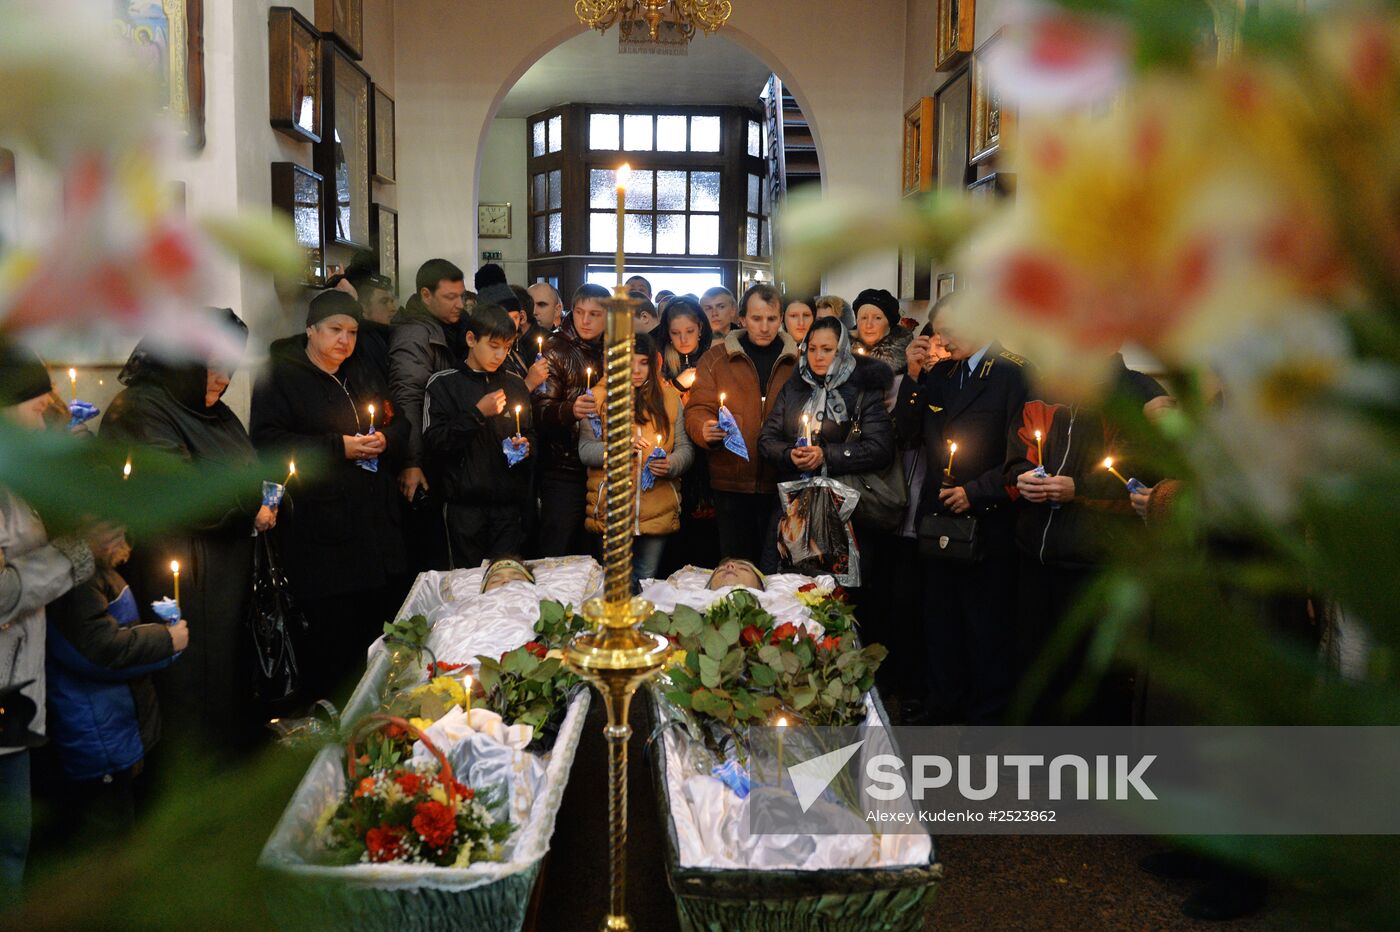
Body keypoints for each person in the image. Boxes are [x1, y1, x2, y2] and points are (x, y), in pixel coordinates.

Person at [100, 309, 275, 750]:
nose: (222, 377)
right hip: (174, 575)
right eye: (211, 365)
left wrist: (273, 498)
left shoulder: (212, 411)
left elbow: (246, 471)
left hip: (224, 575)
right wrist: (247, 506)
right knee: (186, 682)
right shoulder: (140, 409)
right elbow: (182, 494)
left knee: (225, 675)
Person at [250, 290, 408, 703]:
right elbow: (268, 444)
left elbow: (398, 420)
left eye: (352, 331)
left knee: (372, 630)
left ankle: (372, 710)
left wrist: (384, 440)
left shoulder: (361, 370)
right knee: (332, 637)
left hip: (372, 526)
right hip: (320, 531)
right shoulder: (281, 377)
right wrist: (339, 447)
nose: (345, 340)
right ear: (310, 330)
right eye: (335, 330)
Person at [1007, 351, 1166, 725]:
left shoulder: (1136, 393)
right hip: (1037, 552)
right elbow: (1018, 446)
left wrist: (1077, 488)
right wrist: (1022, 476)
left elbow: (1141, 473)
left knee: (1090, 677)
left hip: (1095, 559)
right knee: (1038, 663)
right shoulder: (1050, 387)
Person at [894, 296, 1030, 725]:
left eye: (949, 331)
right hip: (939, 520)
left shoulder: (1015, 375)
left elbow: (1024, 455)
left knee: (984, 628)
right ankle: (942, 705)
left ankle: (984, 722)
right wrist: (914, 381)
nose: (942, 341)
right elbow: (907, 433)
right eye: (937, 333)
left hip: (987, 523)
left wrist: (976, 492)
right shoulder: (943, 373)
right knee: (940, 621)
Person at [0, 344, 102, 893]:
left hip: (15, 681)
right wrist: (75, 554)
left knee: (15, 842)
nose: (46, 416)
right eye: (37, 408)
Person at [44, 526, 186, 845]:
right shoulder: (77, 580)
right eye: (103, 522)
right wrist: (166, 641)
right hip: (99, 739)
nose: (116, 529)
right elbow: (100, 652)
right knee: (111, 843)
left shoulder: (97, 569)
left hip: (116, 729)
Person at [758, 317, 896, 581]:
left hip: (842, 507)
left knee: (832, 593)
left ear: (842, 349)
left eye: (827, 349)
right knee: (781, 583)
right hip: (792, 507)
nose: (818, 356)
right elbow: (767, 440)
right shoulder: (794, 386)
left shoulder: (862, 389)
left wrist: (826, 455)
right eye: (812, 348)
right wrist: (790, 455)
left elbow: (880, 448)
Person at [687, 283, 801, 572]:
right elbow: (698, 407)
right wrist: (705, 428)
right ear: (742, 318)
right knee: (736, 568)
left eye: (771, 319)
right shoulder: (716, 358)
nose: (764, 327)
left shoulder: (797, 362)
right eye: (756, 318)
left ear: (782, 318)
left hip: (781, 481)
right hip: (731, 478)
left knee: (775, 569)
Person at [423, 304, 536, 569]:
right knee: (466, 583)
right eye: (493, 345)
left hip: (507, 506)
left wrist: (527, 446)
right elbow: (435, 442)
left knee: (505, 583)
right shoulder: (443, 383)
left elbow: (530, 432)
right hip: (464, 506)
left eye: (507, 347)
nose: (500, 355)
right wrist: (477, 414)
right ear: (471, 339)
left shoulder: (514, 383)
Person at [579, 331, 694, 588]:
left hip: (657, 509)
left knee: (647, 585)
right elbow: (586, 450)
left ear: (654, 364)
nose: (636, 370)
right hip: (612, 511)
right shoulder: (598, 399)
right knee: (615, 589)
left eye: (643, 363)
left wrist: (671, 464)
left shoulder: (670, 399)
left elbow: (685, 448)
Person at [390, 259, 467, 573]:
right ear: (425, 295)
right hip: (427, 456)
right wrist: (412, 461)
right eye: (450, 297)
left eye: (461, 296)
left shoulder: (450, 327)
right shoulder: (413, 335)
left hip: (444, 448)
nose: (460, 304)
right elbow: (408, 397)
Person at [532, 283, 607, 557]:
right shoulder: (554, 350)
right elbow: (539, 411)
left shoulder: (616, 350)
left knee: (596, 553)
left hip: (603, 468)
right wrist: (569, 410)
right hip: (564, 467)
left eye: (595, 314)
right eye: (579, 312)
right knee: (559, 549)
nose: (585, 321)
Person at [347, 272, 397, 384]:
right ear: (364, 309)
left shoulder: (386, 336)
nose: (393, 308)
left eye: (392, 301)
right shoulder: (360, 344)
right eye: (384, 302)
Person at [658, 295, 713, 396]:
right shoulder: (658, 361)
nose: (683, 339)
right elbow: (652, 404)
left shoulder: (713, 356)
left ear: (700, 328)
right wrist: (677, 385)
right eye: (675, 333)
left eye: (690, 331)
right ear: (668, 333)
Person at [852, 288, 913, 376]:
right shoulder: (839, 355)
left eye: (877, 318)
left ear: (889, 324)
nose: (869, 325)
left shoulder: (909, 360)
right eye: (864, 318)